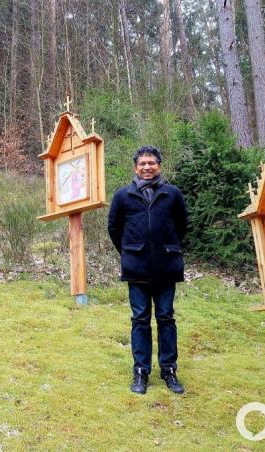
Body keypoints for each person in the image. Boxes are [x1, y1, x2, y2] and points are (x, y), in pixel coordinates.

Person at [107, 146, 189, 395]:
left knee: (166, 317)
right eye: (142, 163)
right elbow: (114, 229)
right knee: (140, 319)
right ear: (135, 168)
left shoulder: (172, 194)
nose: (147, 167)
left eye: (151, 163)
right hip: (137, 268)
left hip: (166, 266)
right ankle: (141, 371)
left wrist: (168, 248)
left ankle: (169, 370)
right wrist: (131, 251)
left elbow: (182, 225)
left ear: (159, 166)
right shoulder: (123, 196)